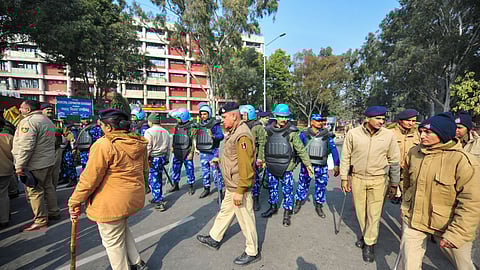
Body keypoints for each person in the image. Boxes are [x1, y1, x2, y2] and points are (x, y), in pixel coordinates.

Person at [68, 108, 149, 270]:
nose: (101, 129)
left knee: (113, 242)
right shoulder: (138, 141)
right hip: (132, 198)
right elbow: (145, 170)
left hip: (111, 203)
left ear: (109, 128)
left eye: (101, 126)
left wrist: (74, 200)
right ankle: (137, 262)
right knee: (121, 230)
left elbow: (89, 179)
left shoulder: (104, 144)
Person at [400, 112, 480, 270]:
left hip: (448, 225)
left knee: (464, 266)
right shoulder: (414, 153)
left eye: (428, 132)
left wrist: (456, 234)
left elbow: (471, 204)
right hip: (414, 220)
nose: (422, 136)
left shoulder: (463, 161)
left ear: (443, 134)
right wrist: (406, 205)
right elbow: (408, 183)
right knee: (409, 264)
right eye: (421, 131)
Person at [196, 102, 260, 266]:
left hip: (240, 186)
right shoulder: (234, 132)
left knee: (246, 218)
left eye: (224, 117)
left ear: (234, 116)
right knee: (225, 211)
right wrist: (220, 160)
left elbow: (246, 167)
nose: (223, 121)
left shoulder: (242, 136)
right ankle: (214, 237)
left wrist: (240, 191)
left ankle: (252, 251)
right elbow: (233, 156)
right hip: (233, 184)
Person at [340, 106, 400, 263]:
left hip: (379, 179)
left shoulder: (389, 135)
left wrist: (394, 183)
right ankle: (366, 233)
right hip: (358, 178)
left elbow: (394, 160)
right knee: (361, 212)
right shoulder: (353, 134)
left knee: (374, 213)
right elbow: (345, 157)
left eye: (383, 119)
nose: (382, 121)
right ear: (367, 119)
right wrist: (344, 178)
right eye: (378, 118)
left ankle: (369, 244)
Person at [261, 104, 314, 227]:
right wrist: (262, 160)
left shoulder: (292, 132)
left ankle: (287, 212)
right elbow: (264, 146)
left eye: (285, 117)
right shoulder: (268, 130)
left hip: (287, 166)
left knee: (287, 191)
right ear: (275, 116)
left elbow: (300, 149)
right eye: (280, 116)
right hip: (271, 164)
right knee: (272, 188)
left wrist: (308, 164)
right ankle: (273, 207)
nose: (283, 119)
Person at [12, 100, 60, 231]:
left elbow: (26, 146)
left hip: (35, 164)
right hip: (48, 161)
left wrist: (19, 165)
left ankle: (40, 220)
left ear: (27, 109)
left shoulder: (29, 122)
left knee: (34, 191)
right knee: (48, 187)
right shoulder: (47, 121)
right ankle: (54, 211)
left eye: (21, 108)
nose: (19, 110)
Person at [294, 114, 340, 218]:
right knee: (302, 184)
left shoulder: (327, 135)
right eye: (318, 121)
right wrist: (295, 161)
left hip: (321, 165)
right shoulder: (304, 134)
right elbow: (298, 148)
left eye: (322, 121)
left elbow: (333, 150)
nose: (320, 123)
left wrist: (337, 164)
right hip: (307, 165)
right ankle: (298, 202)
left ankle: (319, 205)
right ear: (312, 121)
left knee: (321, 185)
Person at [388, 109, 420, 204]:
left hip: (409, 171)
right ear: (400, 121)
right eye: (408, 120)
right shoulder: (390, 133)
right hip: (391, 171)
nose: (411, 123)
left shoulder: (418, 133)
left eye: (413, 121)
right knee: (382, 198)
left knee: (408, 199)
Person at [239, 105, 267, 211]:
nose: (242, 116)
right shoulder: (241, 126)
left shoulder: (257, 127)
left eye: (244, 114)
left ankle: (256, 199)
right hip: (242, 156)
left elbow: (262, 143)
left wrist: (260, 158)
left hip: (254, 156)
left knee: (255, 179)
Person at [195, 104, 224, 199]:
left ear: (209, 114)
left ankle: (220, 190)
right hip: (203, 151)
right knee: (204, 171)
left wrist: (213, 136)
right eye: (201, 114)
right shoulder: (199, 125)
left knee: (216, 171)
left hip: (213, 151)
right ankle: (206, 188)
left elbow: (221, 136)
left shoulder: (214, 124)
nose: (203, 116)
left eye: (205, 114)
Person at [144, 113, 170, 211]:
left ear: (150, 121)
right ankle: (157, 196)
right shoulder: (165, 132)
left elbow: (148, 147)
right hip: (162, 156)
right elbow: (168, 147)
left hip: (153, 157)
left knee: (153, 179)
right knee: (158, 177)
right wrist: (167, 158)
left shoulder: (149, 132)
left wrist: (145, 158)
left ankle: (159, 201)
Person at [168, 108, 196, 194]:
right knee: (175, 168)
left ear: (183, 117)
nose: (176, 119)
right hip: (177, 150)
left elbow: (194, 141)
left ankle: (190, 186)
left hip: (187, 151)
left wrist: (191, 153)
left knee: (189, 169)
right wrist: (172, 147)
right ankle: (175, 185)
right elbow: (175, 137)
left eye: (178, 117)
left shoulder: (191, 127)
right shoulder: (177, 126)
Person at [41, 104, 64, 188]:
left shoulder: (58, 123)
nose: (50, 111)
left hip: (56, 150)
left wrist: (72, 139)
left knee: (54, 173)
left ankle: (52, 193)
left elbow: (66, 132)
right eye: (48, 109)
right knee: (43, 174)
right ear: (42, 111)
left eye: (51, 109)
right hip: (42, 151)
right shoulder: (39, 122)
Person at [0, 117, 14, 229]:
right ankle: (4, 219)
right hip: (5, 169)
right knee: (3, 194)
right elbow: (15, 154)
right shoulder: (9, 137)